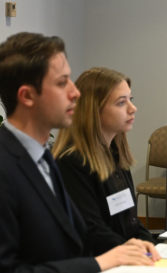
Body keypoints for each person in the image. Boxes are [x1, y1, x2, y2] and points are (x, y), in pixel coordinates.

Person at [0, 32, 156, 273]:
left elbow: (71, 245)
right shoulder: (7, 166)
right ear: (27, 96)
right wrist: (101, 263)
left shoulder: (43, 160)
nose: (75, 92)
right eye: (62, 83)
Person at [53, 68, 159, 257]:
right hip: (99, 265)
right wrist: (137, 252)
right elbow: (91, 230)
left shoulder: (115, 155)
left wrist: (150, 247)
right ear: (93, 111)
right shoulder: (71, 161)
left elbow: (131, 221)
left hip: (124, 258)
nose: (132, 108)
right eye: (121, 102)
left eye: (130, 99)